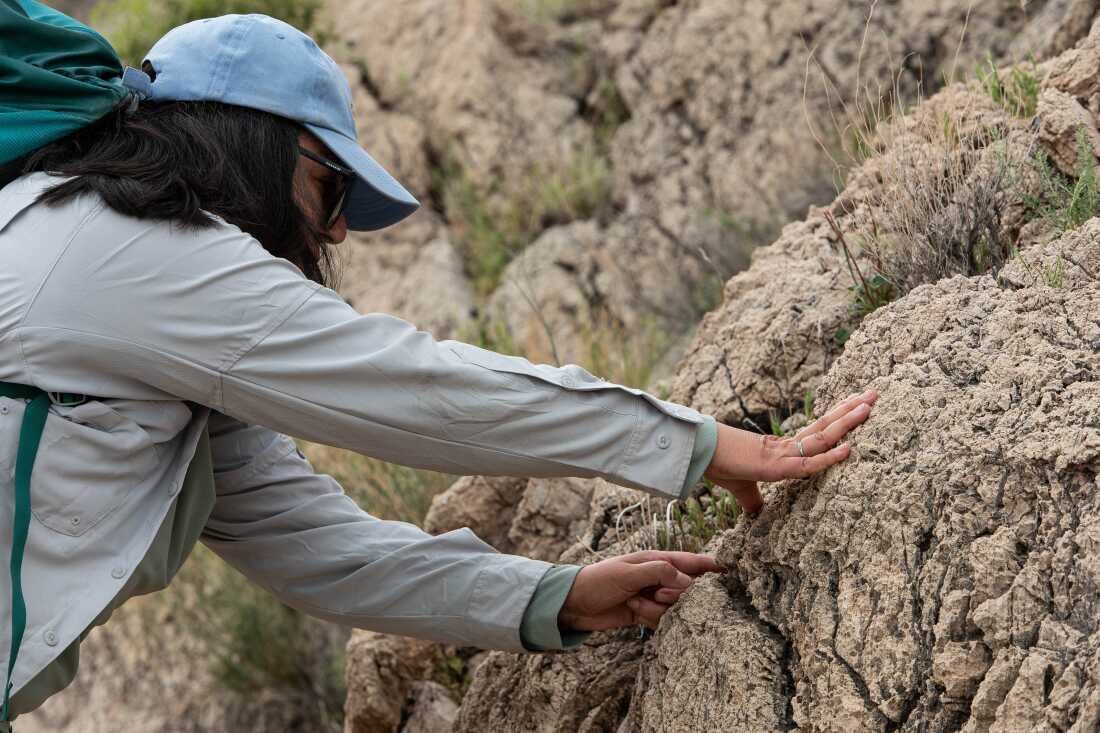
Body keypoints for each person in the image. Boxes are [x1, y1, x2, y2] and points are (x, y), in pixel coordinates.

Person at [0, 5, 877, 724]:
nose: (337, 229)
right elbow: (418, 390)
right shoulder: (131, 253)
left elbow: (321, 548)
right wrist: (699, 444)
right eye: (332, 187)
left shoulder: (139, 299)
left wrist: (553, 597)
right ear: (256, 144)